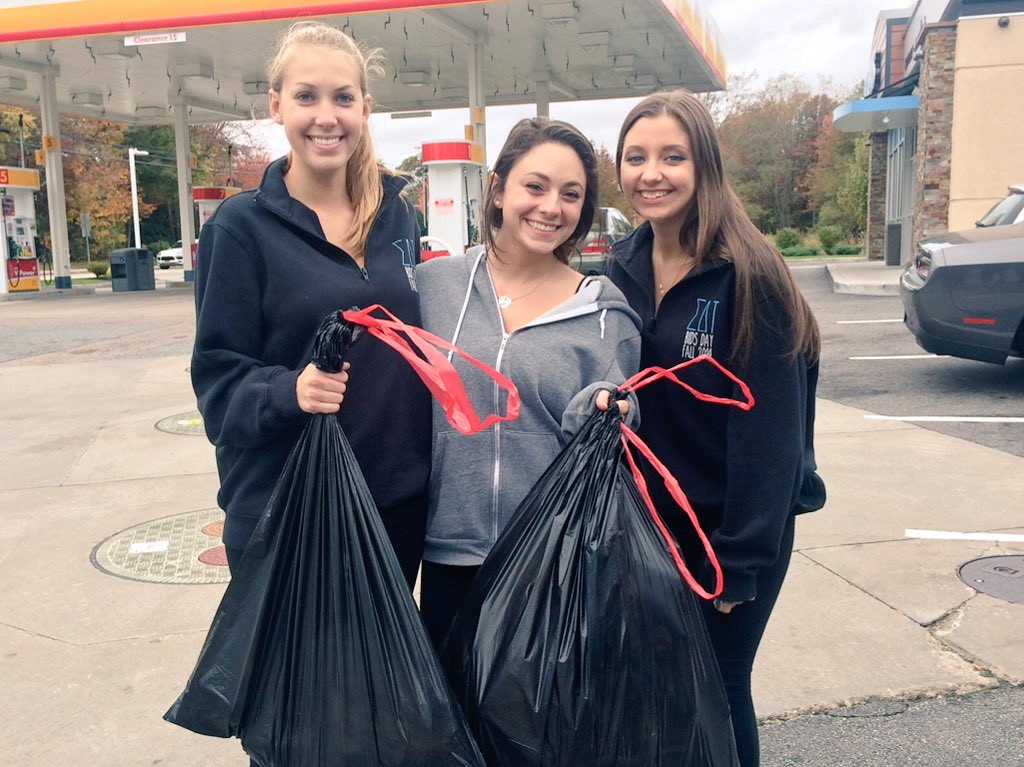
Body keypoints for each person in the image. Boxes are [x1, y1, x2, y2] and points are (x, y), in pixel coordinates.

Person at [606, 90, 824, 767]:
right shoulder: (624, 262)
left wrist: (737, 562)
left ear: (704, 165)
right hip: (652, 525)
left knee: (721, 688)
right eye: (636, 157)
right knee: (666, 691)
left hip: (729, 531)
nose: (653, 173)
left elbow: (773, 438)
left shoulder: (749, 273)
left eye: (673, 156)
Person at [190, 20, 430, 589]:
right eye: (306, 97)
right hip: (290, 509)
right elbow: (218, 390)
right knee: (297, 681)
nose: (327, 116)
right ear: (276, 106)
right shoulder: (240, 227)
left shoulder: (397, 215)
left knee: (379, 679)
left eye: (343, 97)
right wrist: (289, 390)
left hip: (394, 503)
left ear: (365, 108)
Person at [415, 117, 642, 650]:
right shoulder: (434, 288)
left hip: (551, 563)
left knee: (532, 731)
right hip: (447, 555)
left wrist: (610, 410)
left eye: (570, 195)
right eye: (534, 186)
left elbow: (631, 424)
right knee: (449, 727)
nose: (550, 207)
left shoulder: (603, 310)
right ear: (497, 189)